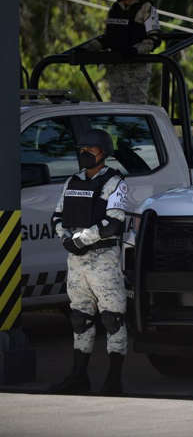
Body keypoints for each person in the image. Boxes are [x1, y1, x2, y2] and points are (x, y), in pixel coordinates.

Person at [50, 129, 128, 395]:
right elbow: (57, 216)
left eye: (90, 150)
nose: (84, 154)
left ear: (103, 153)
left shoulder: (115, 183)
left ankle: (114, 380)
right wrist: (65, 238)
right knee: (79, 318)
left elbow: (113, 224)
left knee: (112, 319)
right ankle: (78, 377)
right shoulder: (72, 181)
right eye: (81, 149)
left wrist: (81, 239)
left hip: (103, 260)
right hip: (76, 262)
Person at [80, 0, 160, 104]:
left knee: (136, 111)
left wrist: (135, 50)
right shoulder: (115, 9)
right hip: (116, 69)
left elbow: (154, 39)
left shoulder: (146, 8)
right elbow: (107, 38)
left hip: (136, 71)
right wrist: (86, 49)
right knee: (117, 111)